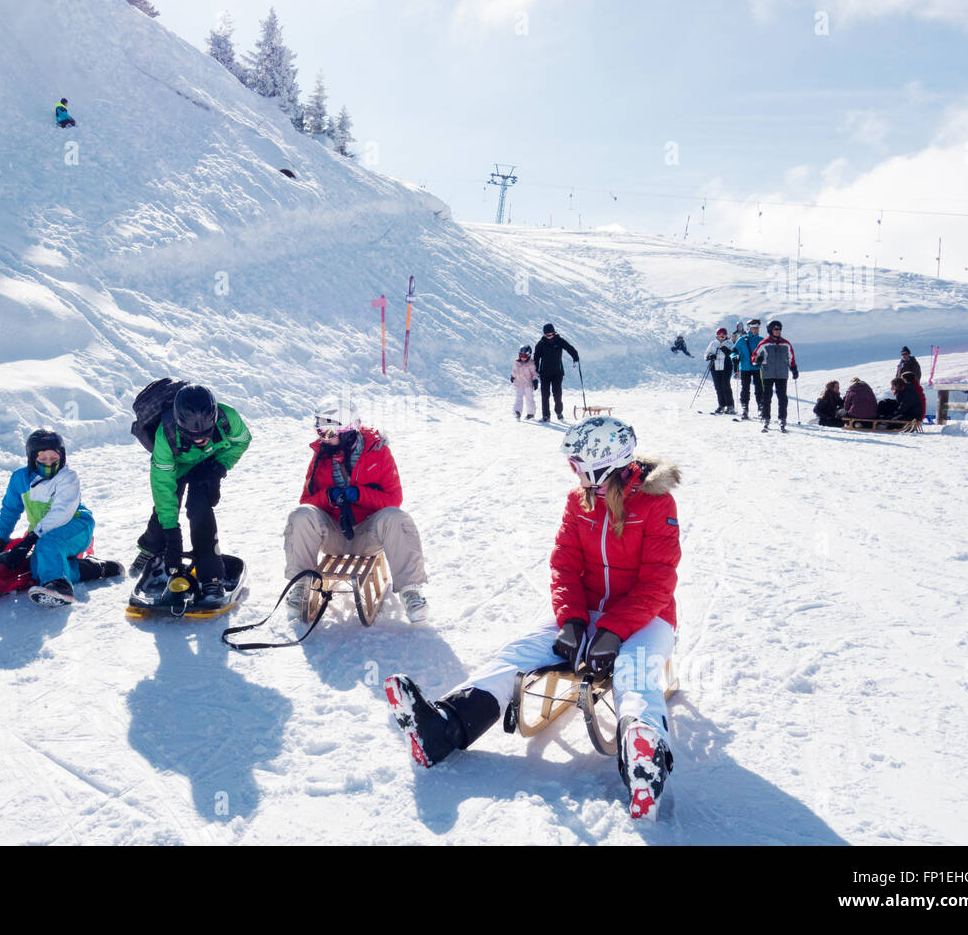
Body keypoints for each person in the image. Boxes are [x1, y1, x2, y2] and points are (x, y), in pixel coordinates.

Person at [383, 416, 681, 820]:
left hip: (649, 618)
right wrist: (573, 620)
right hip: (588, 611)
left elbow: (658, 581)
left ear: (603, 462)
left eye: (578, 462)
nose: (572, 469)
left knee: (634, 668)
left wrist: (614, 630)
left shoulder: (656, 504)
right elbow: (564, 564)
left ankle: (643, 763)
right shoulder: (580, 501)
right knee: (520, 651)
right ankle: (444, 727)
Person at [282, 405, 430, 622]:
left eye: (329, 432)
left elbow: (393, 499)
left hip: (367, 535)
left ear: (348, 431)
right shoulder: (321, 456)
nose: (323, 438)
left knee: (397, 518)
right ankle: (301, 585)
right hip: (333, 534)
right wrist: (327, 497)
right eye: (319, 431)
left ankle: (411, 591)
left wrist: (360, 494)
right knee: (301, 515)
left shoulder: (378, 453)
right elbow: (306, 501)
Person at [131, 384, 251, 609]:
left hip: (207, 464)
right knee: (165, 511)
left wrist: (219, 468)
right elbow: (162, 488)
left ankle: (211, 577)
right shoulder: (164, 436)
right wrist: (172, 532)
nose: (199, 439)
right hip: (176, 466)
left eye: (205, 434)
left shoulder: (229, 418)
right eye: (191, 434)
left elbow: (242, 440)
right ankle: (151, 550)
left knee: (200, 508)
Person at [0, 430, 121, 607]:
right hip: (44, 533)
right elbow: (10, 509)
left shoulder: (68, 477)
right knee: (39, 571)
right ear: (32, 458)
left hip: (77, 526)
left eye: (54, 458)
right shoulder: (20, 478)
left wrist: (31, 538)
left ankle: (60, 587)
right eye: (43, 459)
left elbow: (62, 512)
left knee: (48, 546)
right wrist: (1, 539)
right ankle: (95, 568)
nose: (49, 463)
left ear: (62, 456)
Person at [751, 319, 798, 433]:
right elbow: (754, 358)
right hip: (768, 374)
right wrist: (758, 360)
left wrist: (794, 369)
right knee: (767, 397)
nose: (778, 331)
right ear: (770, 330)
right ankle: (766, 418)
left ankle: (782, 419)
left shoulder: (786, 343)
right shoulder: (764, 343)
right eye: (775, 329)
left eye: (779, 329)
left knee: (782, 398)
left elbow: (791, 358)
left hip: (782, 374)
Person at [533, 322, 580, 422]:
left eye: (550, 334)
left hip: (557, 372)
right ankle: (546, 416)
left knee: (557, 393)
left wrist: (575, 356)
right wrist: (535, 370)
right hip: (544, 373)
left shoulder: (559, 341)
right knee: (545, 394)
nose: (549, 336)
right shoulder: (541, 344)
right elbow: (536, 358)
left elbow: (569, 348)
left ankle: (559, 412)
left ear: (554, 333)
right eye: (546, 335)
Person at [731, 318, 764, 420]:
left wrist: (763, 359)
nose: (756, 330)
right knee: (745, 389)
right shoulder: (742, 340)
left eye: (757, 328)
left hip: (757, 368)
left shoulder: (761, 340)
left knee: (759, 388)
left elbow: (766, 353)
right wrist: (735, 357)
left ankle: (761, 408)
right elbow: (733, 352)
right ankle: (745, 409)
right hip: (745, 368)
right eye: (754, 328)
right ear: (749, 328)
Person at [704, 327, 736, 414]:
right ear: (717, 335)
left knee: (725, 385)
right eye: (720, 335)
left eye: (723, 335)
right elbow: (706, 354)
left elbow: (733, 353)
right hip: (715, 367)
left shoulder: (729, 343)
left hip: (726, 366)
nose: (721, 337)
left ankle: (730, 405)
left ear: (726, 336)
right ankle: (721, 405)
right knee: (718, 386)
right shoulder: (713, 343)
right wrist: (710, 356)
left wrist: (727, 351)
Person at [510, 345, 538, 420]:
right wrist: (513, 376)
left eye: (525, 356)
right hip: (519, 384)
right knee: (518, 398)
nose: (523, 357)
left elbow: (534, 373)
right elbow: (514, 370)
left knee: (529, 398)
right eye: (521, 355)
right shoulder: (517, 363)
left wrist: (535, 380)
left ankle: (531, 413)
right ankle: (517, 412)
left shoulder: (531, 364)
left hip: (528, 385)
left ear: (528, 356)